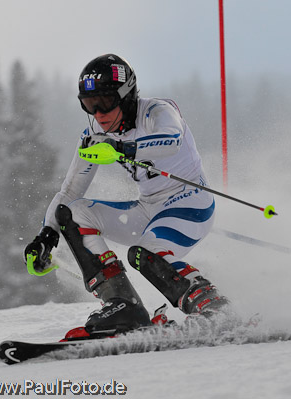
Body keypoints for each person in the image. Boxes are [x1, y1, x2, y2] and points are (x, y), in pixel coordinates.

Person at [24, 54, 229, 336]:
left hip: (189, 203)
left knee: (144, 254)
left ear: (127, 96)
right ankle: (124, 305)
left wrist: (123, 149)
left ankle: (216, 308)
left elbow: (172, 139)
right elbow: (70, 191)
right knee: (72, 213)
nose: (98, 114)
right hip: (147, 208)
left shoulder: (157, 111)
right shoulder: (96, 132)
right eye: (88, 105)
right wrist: (47, 234)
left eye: (105, 103)